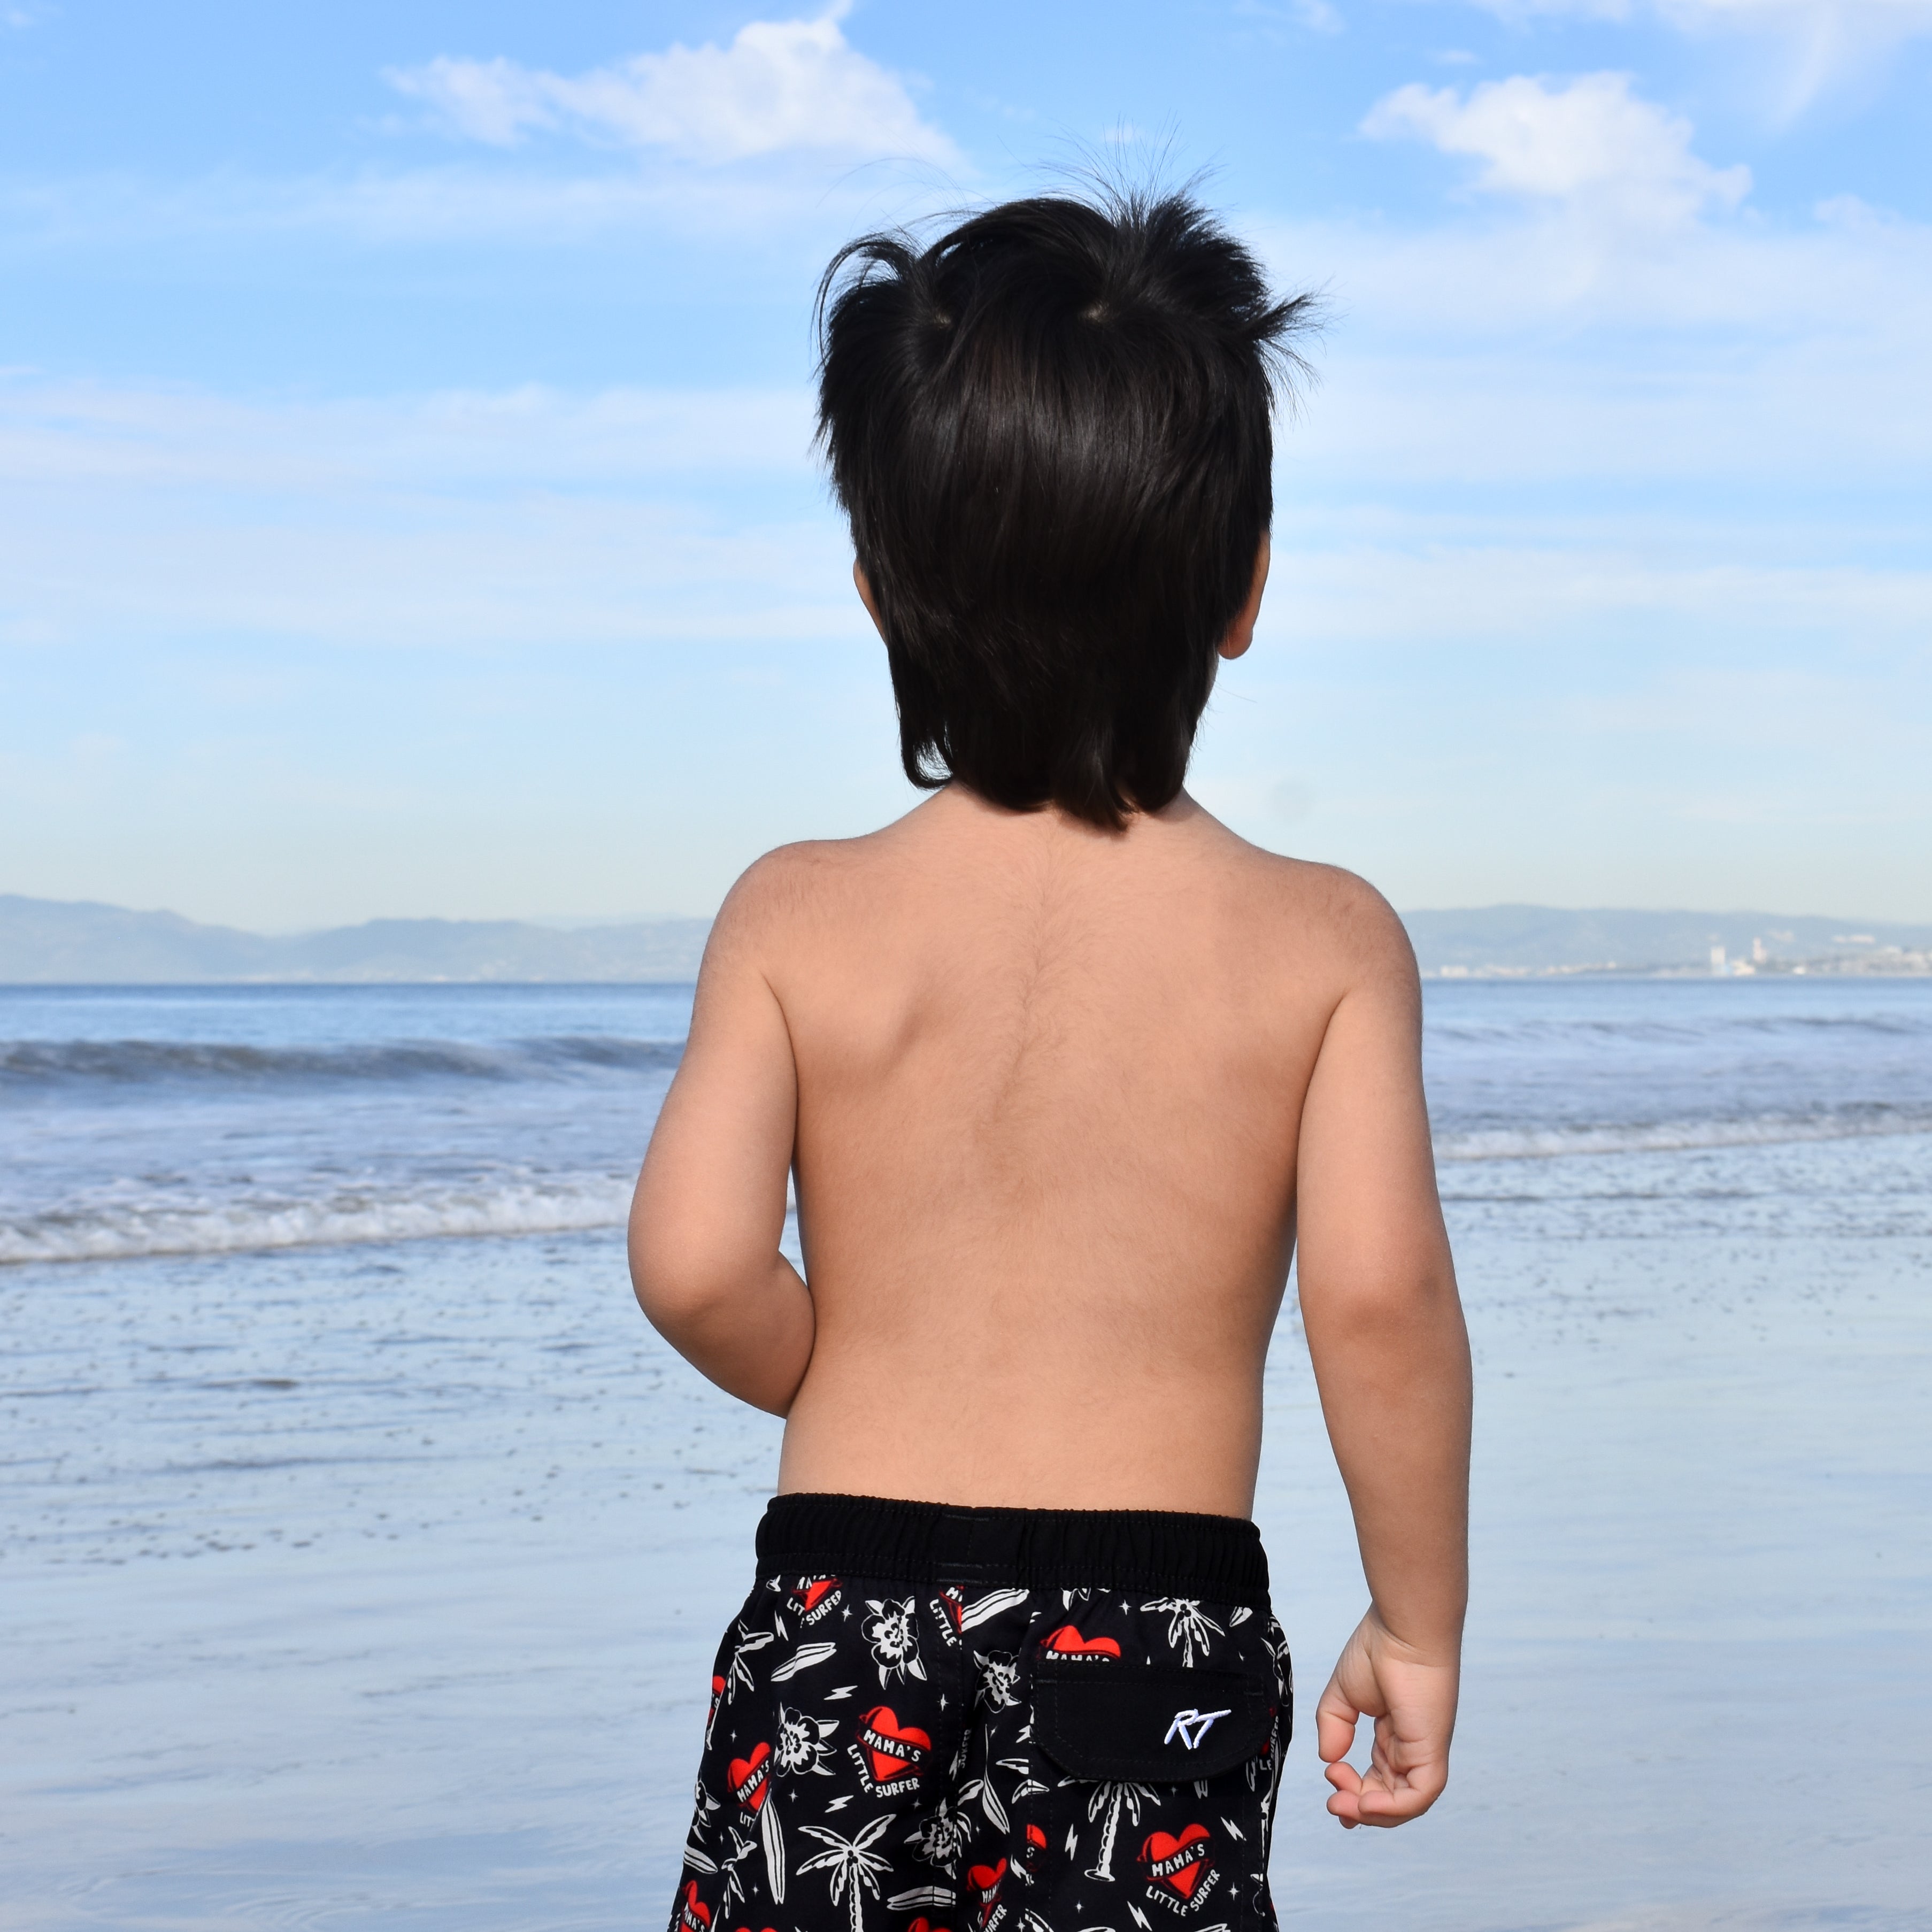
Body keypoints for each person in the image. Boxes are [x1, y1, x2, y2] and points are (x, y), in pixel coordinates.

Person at [630, 188, 1471, 1932]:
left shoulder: (794, 914)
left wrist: (838, 1372)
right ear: (1244, 590)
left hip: (841, 1621)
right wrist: (1416, 1619)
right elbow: (1377, 1301)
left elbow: (697, 1265)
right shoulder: (1325, 943)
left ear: (878, 595)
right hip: (1147, 1642)